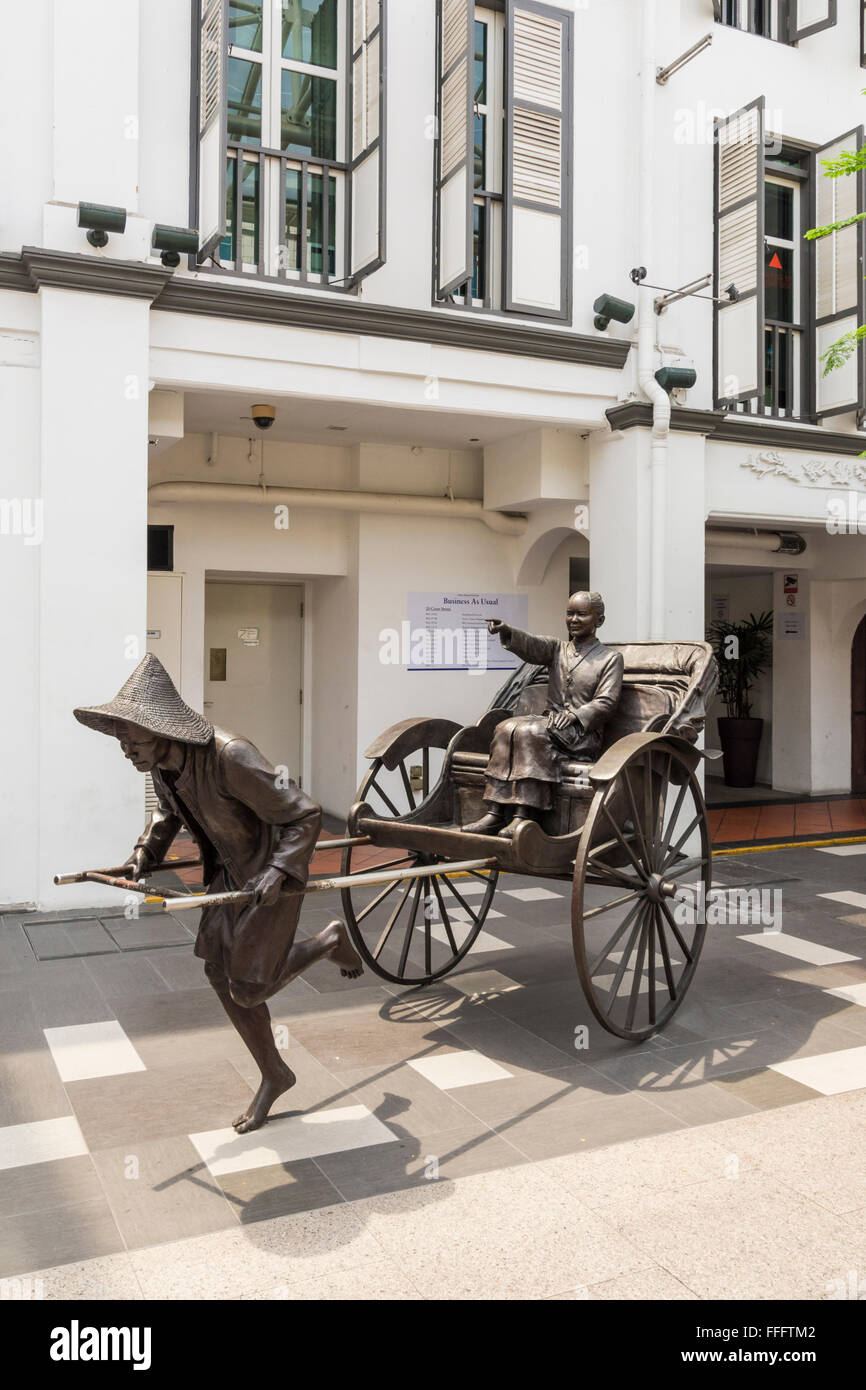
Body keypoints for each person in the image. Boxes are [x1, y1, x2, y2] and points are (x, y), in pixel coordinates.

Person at [73, 652, 362, 1133]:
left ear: (162, 730)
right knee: (216, 970)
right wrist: (142, 856)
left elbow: (305, 814)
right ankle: (276, 1071)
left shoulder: (230, 755)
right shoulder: (162, 763)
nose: (126, 749)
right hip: (230, 875)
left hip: (270, 874)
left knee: (248, 989)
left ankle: (328, 942)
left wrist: (278, 869)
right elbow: (167, 813)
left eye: (132, 739)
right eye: (121, 741)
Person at [464, 591, 623, 836]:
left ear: (599, 620)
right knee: (506, 727)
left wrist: (575, 716)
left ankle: (524, 815)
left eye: (582, 614)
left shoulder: (610, 658)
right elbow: (532, 646)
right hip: (552, 724)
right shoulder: (557, 649)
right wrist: (508, 631)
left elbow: (606, 701)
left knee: (532, 732)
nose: (574, 619)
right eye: (570, 613)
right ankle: (495, 812)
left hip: (581, 734)